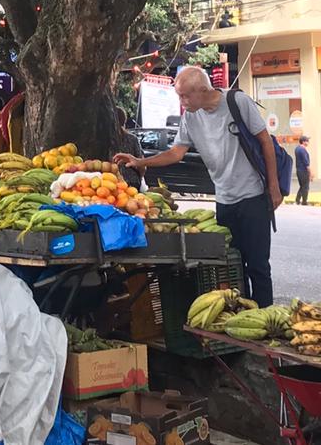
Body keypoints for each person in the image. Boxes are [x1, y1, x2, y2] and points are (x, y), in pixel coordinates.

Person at [113, 67, 282, 306]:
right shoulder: (191, 117)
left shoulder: (237, 102)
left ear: (203, 90)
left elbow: (265, 141)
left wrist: (273, 187)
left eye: (185, 96)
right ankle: (242, 313)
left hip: (252, 195)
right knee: (232, 262)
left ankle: (265, 316)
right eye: (179, 96)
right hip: (224, 199)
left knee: (258, 265)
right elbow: (176, 153)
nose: (182, 102)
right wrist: (141, 161)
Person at [116, 107, 145, 188]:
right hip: (132, 182)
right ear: (124, 120)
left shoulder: (105, 139)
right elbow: (142, 165)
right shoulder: (133, 139)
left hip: (110, 182)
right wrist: (140, 176)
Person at [294, 135, 312, 205]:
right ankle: (304, 201)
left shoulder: (297, 149)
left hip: (299, 170)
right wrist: (311, 173)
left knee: (302, 186)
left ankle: (297, 200)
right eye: (307, 141)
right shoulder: (302, 150)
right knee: (305, 187)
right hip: (303, 171)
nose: (308, 142)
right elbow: (306, 163)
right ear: (304, 141)